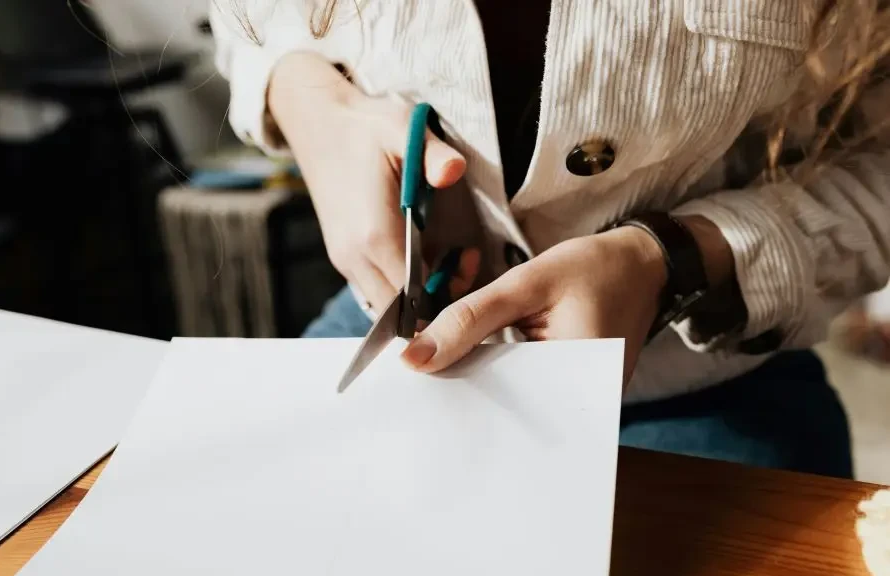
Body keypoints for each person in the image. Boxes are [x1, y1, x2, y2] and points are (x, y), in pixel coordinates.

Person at [211, 0, 890, 479]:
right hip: (396, 331)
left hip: (701, 380)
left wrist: (672, 258)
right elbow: (250, 23)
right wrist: (307, 101)